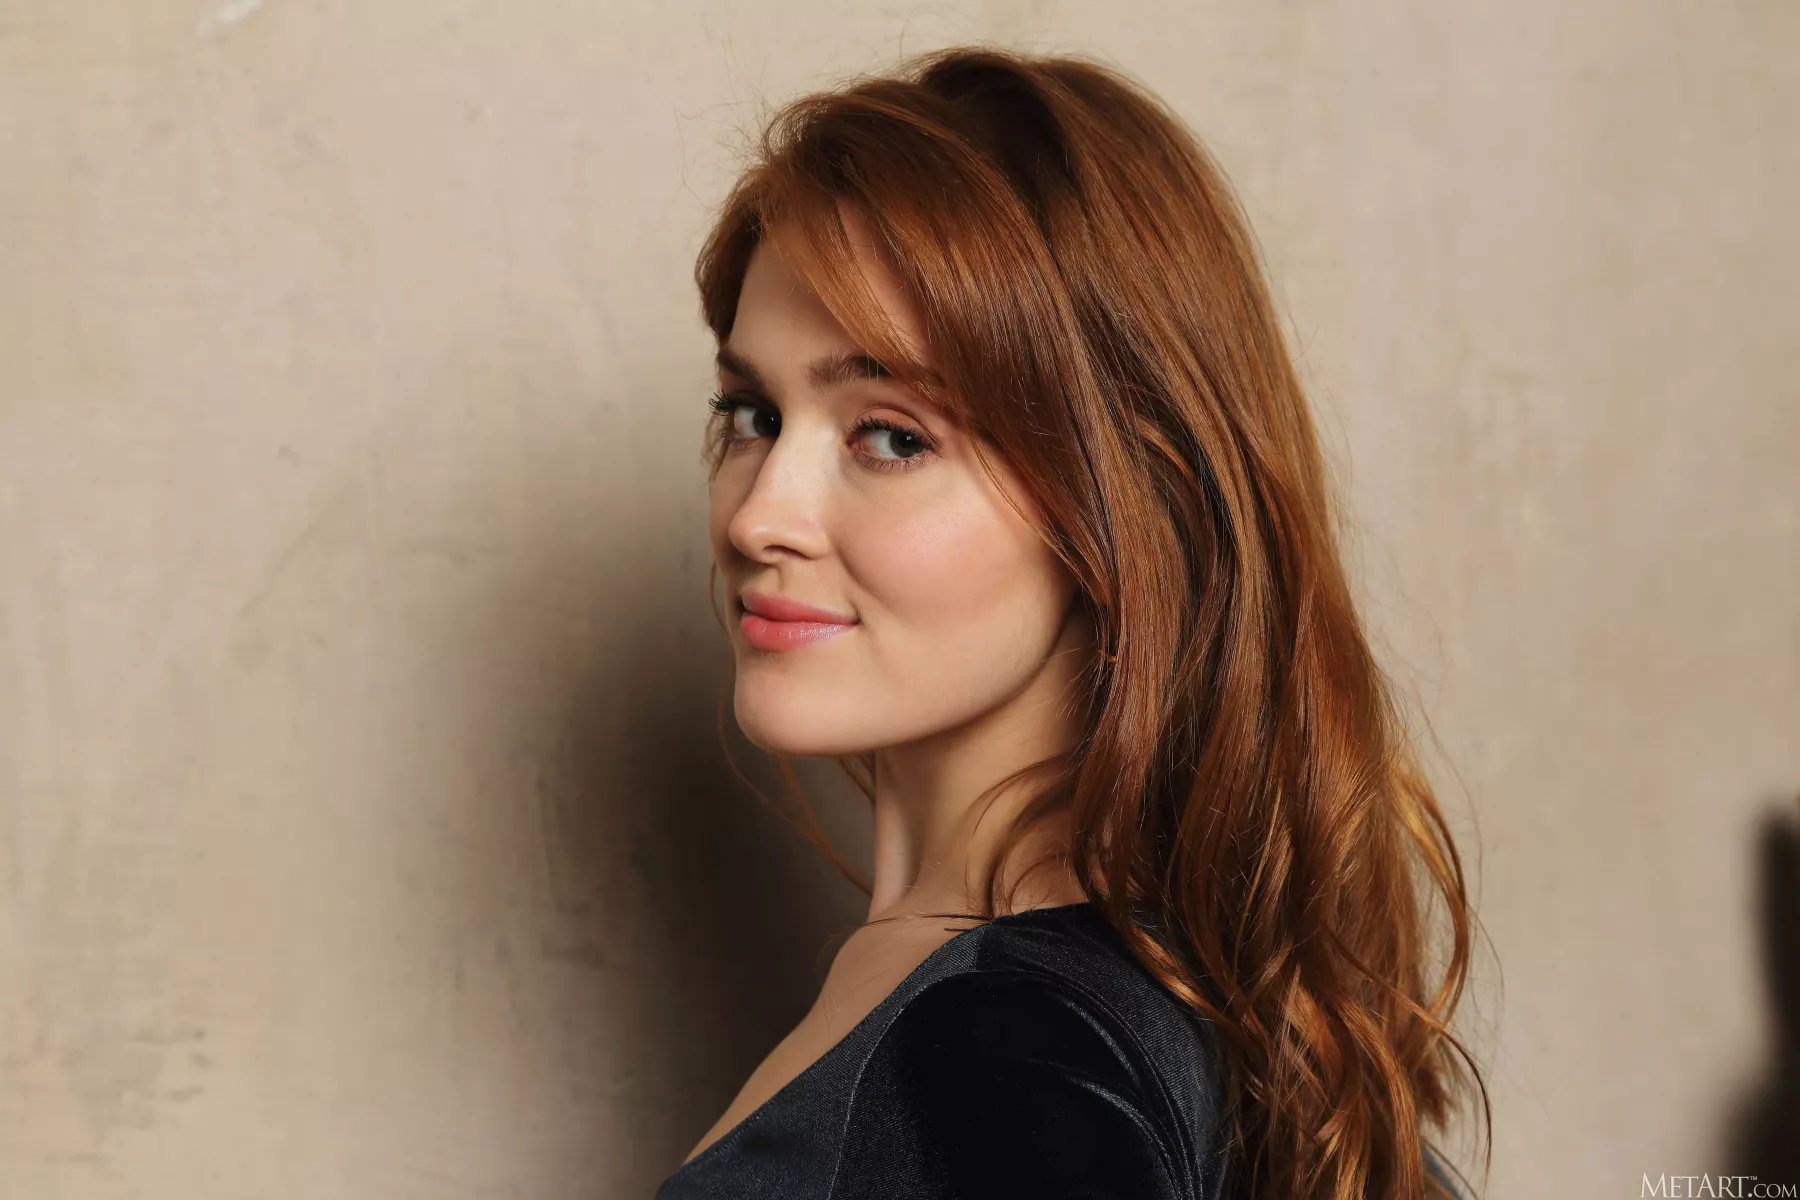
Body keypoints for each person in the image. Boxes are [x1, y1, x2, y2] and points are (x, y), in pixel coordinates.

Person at [655, 44, 1488, 1200]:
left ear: (1118, 504)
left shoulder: (1004, 1058)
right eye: (753, 413)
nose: (759, 517)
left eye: (891, 435)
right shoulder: (1152, 1007)